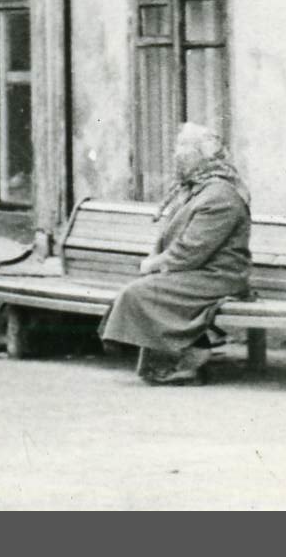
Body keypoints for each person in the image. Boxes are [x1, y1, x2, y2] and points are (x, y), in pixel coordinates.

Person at [102, 123, 253, 385]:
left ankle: (192, 356)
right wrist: (155, 262)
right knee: (144, 289)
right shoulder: (199, 190)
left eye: (182, 147)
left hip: (218, 276)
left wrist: (154, 265)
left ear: (202, 154)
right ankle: (183, 353)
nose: (175, 154)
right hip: (200, 272)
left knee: (141, 292)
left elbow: (191, 251)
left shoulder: (219, 195)